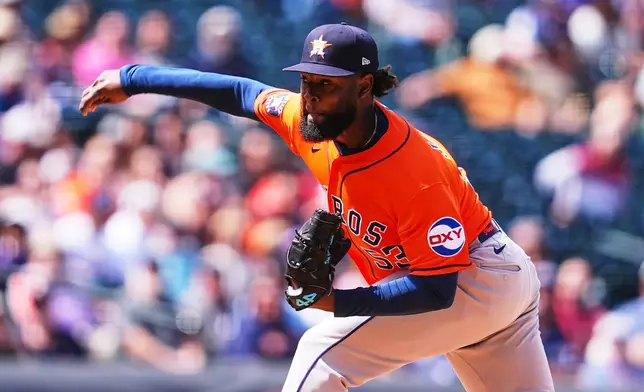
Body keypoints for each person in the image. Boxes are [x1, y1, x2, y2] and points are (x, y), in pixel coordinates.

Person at [79, 22, 554, 392]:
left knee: (318, 354)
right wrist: (135, 77)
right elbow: (242, 93)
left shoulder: (413, 171)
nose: (310, 98)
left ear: (365, 87)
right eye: (307, 81)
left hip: (475, 280)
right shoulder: (308, 120)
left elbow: (437, 290)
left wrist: (338, 302)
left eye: (326, 85)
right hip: (487, 290)